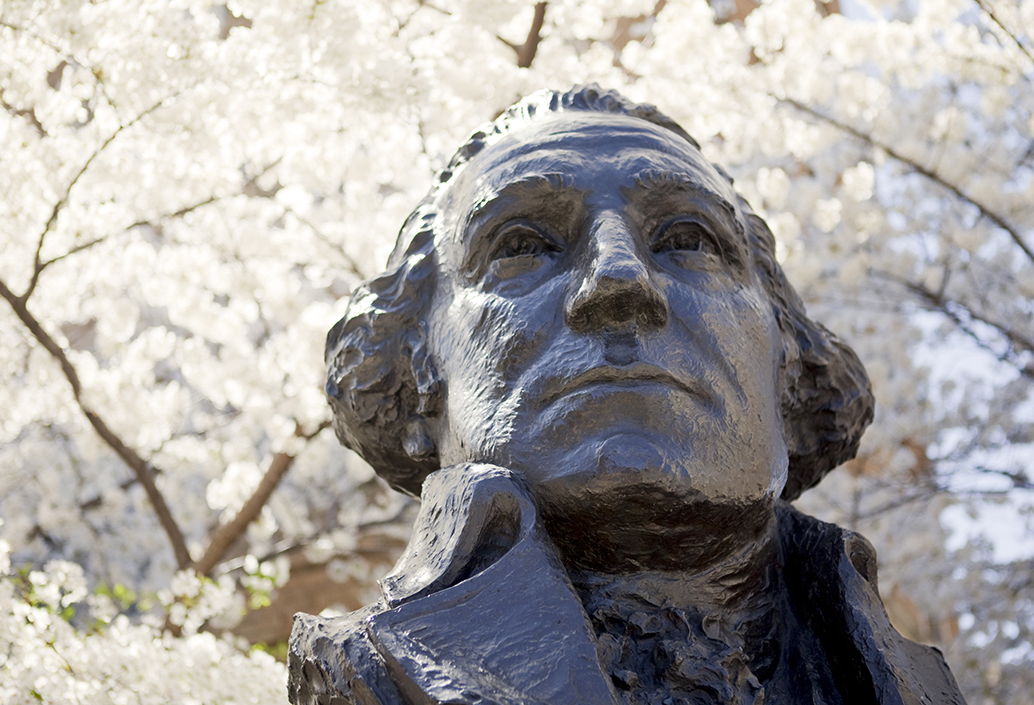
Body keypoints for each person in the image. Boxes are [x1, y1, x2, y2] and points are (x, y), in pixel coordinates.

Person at [288, 85, 966, 705]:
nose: (619, 279)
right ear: (418, 373)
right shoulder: (369, 676)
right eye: (522, 245)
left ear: (787, 361)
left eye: (688, 239)